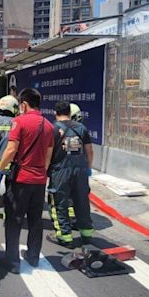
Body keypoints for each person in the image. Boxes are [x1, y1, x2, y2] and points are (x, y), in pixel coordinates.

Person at [0, 88, 54, 274]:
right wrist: (40, 173)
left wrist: (0, 168)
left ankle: (13, 262)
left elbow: (11, 149)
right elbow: (48, 155)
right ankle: (33, 256)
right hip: (39, 181)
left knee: (14, 220)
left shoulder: (19, 121)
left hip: (21, 179)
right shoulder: (48, 125)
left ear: (23, 104)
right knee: (35, 220)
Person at [46, 101, 94, 248]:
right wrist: (88, 168)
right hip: (80, 170)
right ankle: (86, 234)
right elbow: (90, 151)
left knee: (59, 203)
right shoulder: (81, 128)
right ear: (69, 113)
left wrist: (44, 171)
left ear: (55, 113)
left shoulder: (53, 129)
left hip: (60, 170)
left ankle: (65, 236)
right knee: (81, 201)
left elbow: (48, 154)